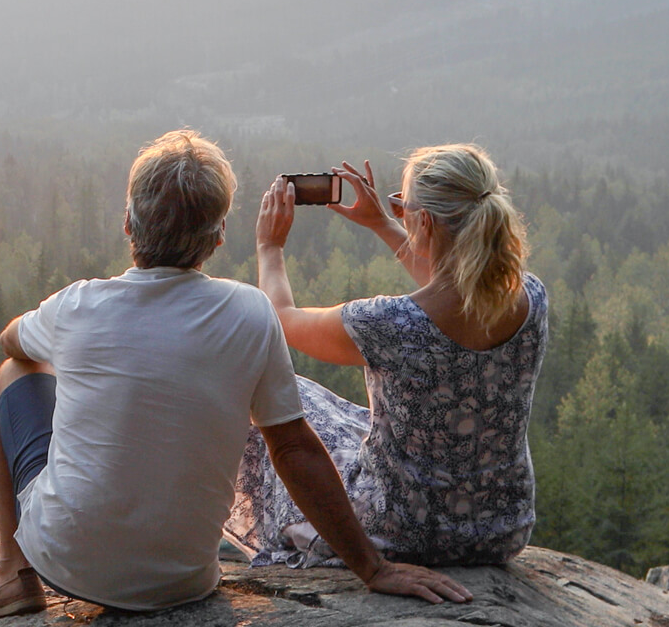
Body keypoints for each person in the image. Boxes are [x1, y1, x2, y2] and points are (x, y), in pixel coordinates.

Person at [0, 130, 469, 620]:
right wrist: (373, 568)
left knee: (12, 373)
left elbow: (11, 341)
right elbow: (294, 449)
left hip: (66, 564)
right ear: (217, 237)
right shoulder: (249, 312)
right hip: (182, 581)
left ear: (129, 224)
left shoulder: (78, 304)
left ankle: (13, 572)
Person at [226, 145, 545, 569]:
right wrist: (384, 223)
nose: (398, 209)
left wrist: (269, 247)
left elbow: (281, 319)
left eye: (403, 205)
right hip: (502, 529)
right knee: (351, 423)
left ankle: (291, 538)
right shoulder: (530, 298)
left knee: (274, 399)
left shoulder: (389, 323)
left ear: (425, 221)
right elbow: (456, 285)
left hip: (403, 532)